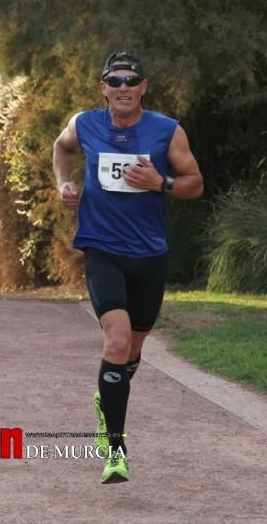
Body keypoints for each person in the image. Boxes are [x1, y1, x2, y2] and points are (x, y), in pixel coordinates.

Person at [53, 50, 204, 484]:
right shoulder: (85, 124)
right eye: (114, 81)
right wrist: (63, 183)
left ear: (143, 88)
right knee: (116, 341)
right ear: (103, 87)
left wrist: (162, 183)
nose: (122, 88)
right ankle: (114, 447)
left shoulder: (166, 131)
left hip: (149, 254)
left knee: (132, 351)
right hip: (101, 248)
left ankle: (108, 394)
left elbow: (196, 184)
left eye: (130, 81)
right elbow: (61, 148)